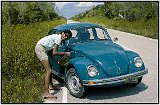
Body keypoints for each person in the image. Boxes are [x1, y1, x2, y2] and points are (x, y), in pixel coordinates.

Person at [35, 30, 72, 99]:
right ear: (63, 33)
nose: (65, 37)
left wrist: (56, 61)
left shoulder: (57, 37)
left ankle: (51, 86)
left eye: (67, 37)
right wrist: (66, 53)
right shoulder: (58, 38)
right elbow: (55, 52)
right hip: (40, 48)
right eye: (65, 35)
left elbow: (50, 52)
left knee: (50, 68)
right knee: (48, 71)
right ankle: (46, 93)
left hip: (42, 48)